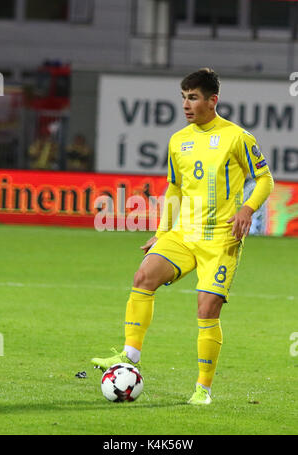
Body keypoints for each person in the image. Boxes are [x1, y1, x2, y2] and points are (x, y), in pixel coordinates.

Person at [91, 68, 274, 405]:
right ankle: (130, 355)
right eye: (184, 97)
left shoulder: (237, 137)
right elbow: (174, 188)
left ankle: (202, 389)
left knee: (207, 310)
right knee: (143, 275)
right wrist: (161, 234)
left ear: (212, 100)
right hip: (183, 234)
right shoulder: (178, 140)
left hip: (220, 239)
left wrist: (247, 209)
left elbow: (265, 179)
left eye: (193, 97)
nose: (186, 104)